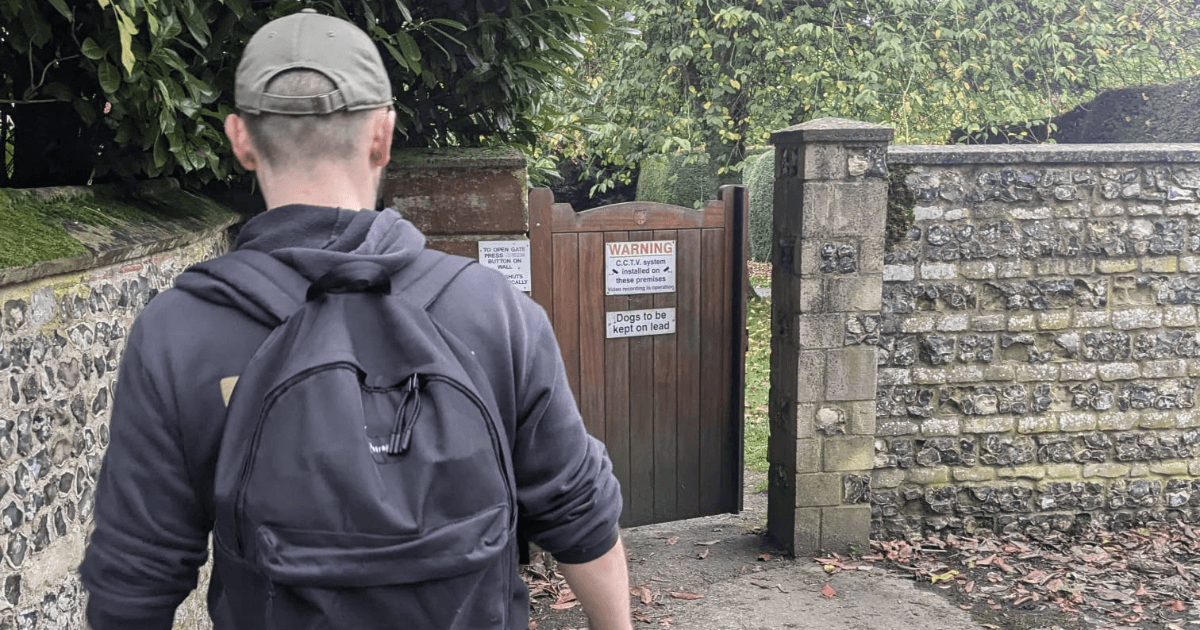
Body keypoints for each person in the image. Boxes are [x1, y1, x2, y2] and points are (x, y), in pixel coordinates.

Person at [80, 9, 630, 630]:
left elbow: (134, 579)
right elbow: (582, 519)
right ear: (383, 135)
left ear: (239, 139)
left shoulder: (179, 333)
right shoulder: (493, 313)